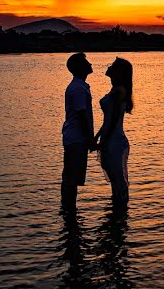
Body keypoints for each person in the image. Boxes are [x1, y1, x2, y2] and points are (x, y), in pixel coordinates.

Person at [95, 57, 133, 205]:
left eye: (113, 66)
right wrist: (97, 138)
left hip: (115, 142)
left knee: (119, 181)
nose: (109, 67)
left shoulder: (119, 91)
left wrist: (102, 141)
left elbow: (112, 121)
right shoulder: (115, 90)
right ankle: (116, 216)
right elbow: (108, 121)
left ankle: (120, 217)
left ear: (119, 72)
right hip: (111, 140)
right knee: (115, 181)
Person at [61, 52, 96, 212]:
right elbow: (82, 115)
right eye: (86, 62)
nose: (90, 64)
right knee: (71, 178)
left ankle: (69, 213)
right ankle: (68, 209)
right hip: (77, 138)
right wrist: (90, 138)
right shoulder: (78, 88)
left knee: (71, 177)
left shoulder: (79, 86)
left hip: (75, 137)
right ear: (80, 67)